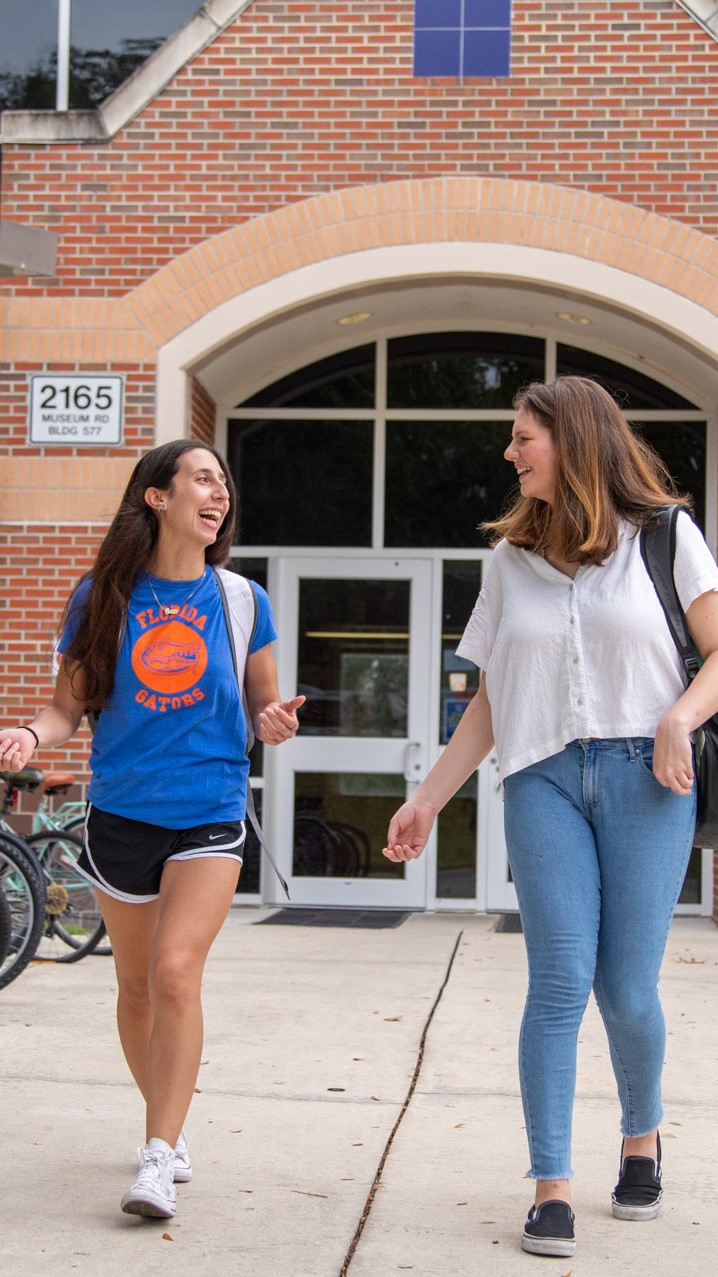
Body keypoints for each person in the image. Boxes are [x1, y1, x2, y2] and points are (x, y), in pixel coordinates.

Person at [383, 376, 718, 1258]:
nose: (510, 451)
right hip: (543, 780)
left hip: (648, 776)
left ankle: (642, 1135)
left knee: (626, 988)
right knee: (561, 979)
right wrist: (428, 797)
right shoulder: (509, 561)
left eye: (523, 436)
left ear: (572, 441)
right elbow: (493, 702)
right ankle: (552, 1184)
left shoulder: (666, 537)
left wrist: (679, 717)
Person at [0, 439, 304, 1221]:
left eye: (224, 482)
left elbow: (264, 708)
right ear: (156, 497)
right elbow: (68, 708)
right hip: (122, 813)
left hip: (209, 809)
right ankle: (169, 1119)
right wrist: (33, 736)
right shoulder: (99, 596)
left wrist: (271, 722)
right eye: (203, 478)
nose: (219, 492)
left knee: (174, 973)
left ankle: (158, 1153)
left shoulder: (242, 600)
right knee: (133, 989)